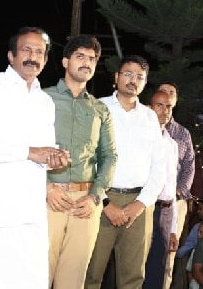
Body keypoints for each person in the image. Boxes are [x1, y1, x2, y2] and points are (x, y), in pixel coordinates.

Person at [0, 26, 70, 288]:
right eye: (26, 50)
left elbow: (41, 152)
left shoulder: (44, 101)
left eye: (39, 51)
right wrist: (30, 152)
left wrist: (54, 158)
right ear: (11, 56)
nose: (33, 56)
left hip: (30, 210)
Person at [85, 55, 167, 289]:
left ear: (145, 82)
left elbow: (159, 165)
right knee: (91, 274)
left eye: (139, 77)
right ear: (117, 77)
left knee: (133, 277)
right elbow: (87, 158)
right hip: (101, 200)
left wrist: (141, 204)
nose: (133, 80)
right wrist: (105, 201)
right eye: (128, 74)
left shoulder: (150, 117)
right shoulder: (98, 107)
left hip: (138, 205)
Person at [44, 34, 118, 289]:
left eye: (92, 59)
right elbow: (24, 149)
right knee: (36, 276)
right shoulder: (42, 99)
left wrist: (96, 196)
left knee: (73, 282)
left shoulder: (100, 109)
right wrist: (45, 187)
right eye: (80, 57)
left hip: (85, 205)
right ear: (65, 61)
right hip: (46, 199)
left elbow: (109, 156)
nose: (87, 62)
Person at [157, 81, 196, 289]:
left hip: (174, 202)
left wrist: (179, 190)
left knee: (168, 254)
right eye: (162, 92)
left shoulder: (182, 134)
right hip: (147, 200)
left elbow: (189, 165)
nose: (167, 95)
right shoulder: (146, 125)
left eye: (171, 93)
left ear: (175, 101)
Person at [144, 90, 180, 289]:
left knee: (158, 269)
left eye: (169, 107)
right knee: (135, 267)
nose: (165, 111)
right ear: (149, 107)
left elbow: (171, 187)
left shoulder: (172, 145)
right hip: (145, 208)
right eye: (160, 105)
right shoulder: (141, 138)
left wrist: (173, 229)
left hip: (165, 212)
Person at [185, 220, 203, 289]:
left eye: (201, 232)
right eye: (198, 231)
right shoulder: (195, 250)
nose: (198, 235)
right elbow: (189, 270)